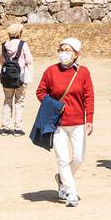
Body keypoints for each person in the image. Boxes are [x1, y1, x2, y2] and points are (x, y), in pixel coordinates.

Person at [35, 37, 93, 207]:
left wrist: (89, 118)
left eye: (68, 50)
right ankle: (71, 192)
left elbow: (89, 96)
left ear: (76, 54)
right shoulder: (50, 71)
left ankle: (62, 179)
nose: (63, 53)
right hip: (58, 123)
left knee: (79, 158)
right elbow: (40, 92)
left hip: (78, 123)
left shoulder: (83, 72)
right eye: (61, 50)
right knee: (63, 158)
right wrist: (53, 105)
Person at [0, 23, 33, 135]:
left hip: (7, 78)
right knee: (19, 101)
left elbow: (1, 61)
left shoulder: (4, 45)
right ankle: (17, 128)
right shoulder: (23, 45)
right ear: (19, 33)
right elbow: (29, 60)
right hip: (20, 77)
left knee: (7, 101)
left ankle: (5, 127)